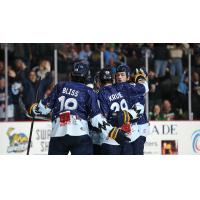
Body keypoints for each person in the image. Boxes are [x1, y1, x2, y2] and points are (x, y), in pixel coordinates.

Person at [29, 60, 130, 155]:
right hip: (79, 133)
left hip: (58, 133)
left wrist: (33, 108)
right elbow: (96, 119)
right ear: (87, 76)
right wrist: (113, 131)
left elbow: (44, 108)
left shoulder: (60, 86)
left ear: (71, 75)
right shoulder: (88, 91)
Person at [98, 64, 148, 155]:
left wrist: (126, 115)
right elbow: (144, 88)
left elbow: (141, 105)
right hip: (120, 135)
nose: (119, 77)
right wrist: (142, 80)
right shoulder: (118, 88)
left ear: (128, 76)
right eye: (117, 75)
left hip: (135, 131)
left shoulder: (128, 87)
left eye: (122, 75)